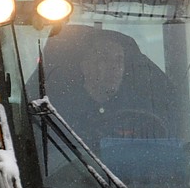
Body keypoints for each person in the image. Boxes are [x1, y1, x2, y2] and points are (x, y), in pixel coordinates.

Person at [42, 26, 174, 147]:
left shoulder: (143, 112)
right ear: (85, 66)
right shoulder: (57, 112)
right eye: (104, 59)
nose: (114, 67)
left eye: (119, 60)